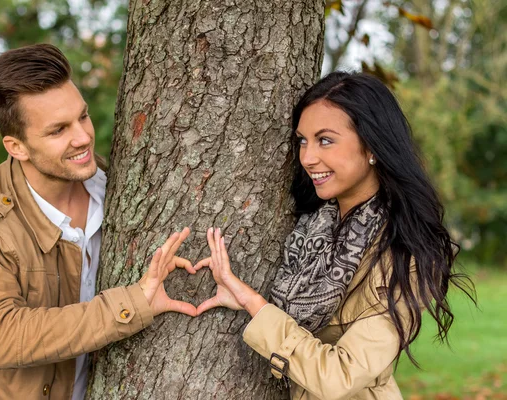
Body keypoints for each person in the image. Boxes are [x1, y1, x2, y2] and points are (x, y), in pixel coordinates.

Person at [194, 72, 474, 399]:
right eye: (302, 140)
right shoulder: (313, 225)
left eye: (325, 140)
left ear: (372, 146)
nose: (308, 157)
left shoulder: (404, 254)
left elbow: (340, 377)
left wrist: (253, 303)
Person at [0, 44, 197, 400]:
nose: (83, 137)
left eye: (83, 116)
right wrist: (133, 303)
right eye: (58, 130)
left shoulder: (118, 188)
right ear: (17, 147)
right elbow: (0, 336)